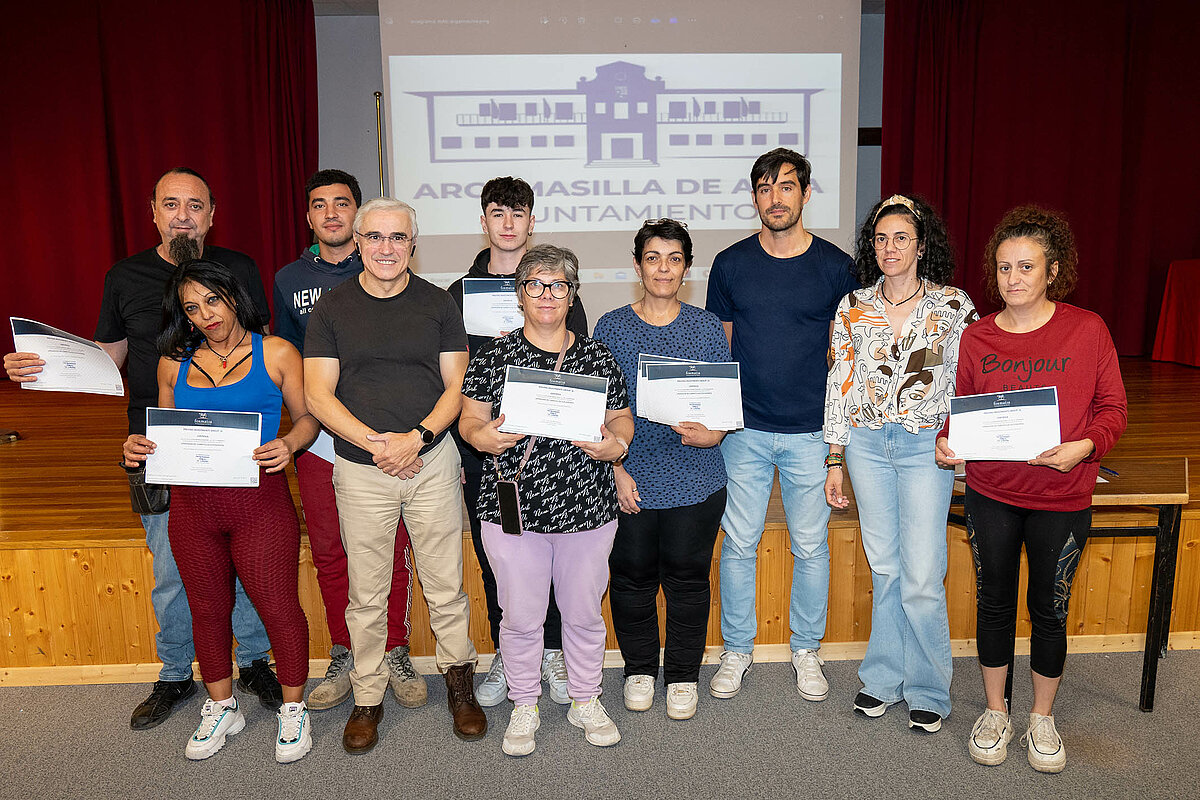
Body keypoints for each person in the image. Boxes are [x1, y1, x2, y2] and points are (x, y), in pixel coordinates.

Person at [3, 168, 281, 729]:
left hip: (235, 445)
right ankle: (176, 672)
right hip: (157, 444)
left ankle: (253, 662)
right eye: (171, 204)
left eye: (195, 205)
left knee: (247, 561)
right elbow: (107, 358)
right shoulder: (124, 275)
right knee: (173, 568)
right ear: (152, 211)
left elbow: (262, 351)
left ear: (212, 214)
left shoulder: (241, 269)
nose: (183, 214)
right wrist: (38, 368)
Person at [936, 205, 1127, 773]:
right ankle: (997, 711)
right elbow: (961, 412)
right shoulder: (976, 337)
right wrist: (949, 441)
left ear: (1053, 271)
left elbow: (1113, 408)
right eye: (1003, 268)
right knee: (992, 604)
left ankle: (1041, 717)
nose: (1013, 279)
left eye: (1026, 267)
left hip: (1062, 497)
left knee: (1049, 608)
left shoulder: (1087, 329)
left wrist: (1085, 446)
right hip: (992, 492)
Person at [303, 197, 484, 753]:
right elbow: (317, 393)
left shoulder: (438, 304)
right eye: (375, 237)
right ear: (358, 242)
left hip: (430, 461)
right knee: (367, 592)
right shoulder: (330, 309)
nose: (386, 248)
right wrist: (376, 444)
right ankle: (367, 695)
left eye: (398, 238)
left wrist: (417, 440)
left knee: (445, 584)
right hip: (361, 468)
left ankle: (459, 684)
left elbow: (457, 387)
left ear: (413, 243)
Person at [121, 260, 317, 762]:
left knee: (278, 607)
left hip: (259, 504)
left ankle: (294, 711)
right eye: (192, 307)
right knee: (207, 611)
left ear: (233, 297)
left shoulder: (277, 352)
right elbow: (161, 431)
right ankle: (222, 705)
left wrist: (291, 443)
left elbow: (308, 417)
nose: (205, 314)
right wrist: (138, 446)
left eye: (212, 300)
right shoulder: (172, 362)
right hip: (192, 509)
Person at [459, 244, 634, 756]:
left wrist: (616, 444)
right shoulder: (494, 355)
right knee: (519, 616)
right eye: (535, 284)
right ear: (520, 295)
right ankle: (525, 704)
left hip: (587, 508)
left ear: (572, 294)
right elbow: (470, 418)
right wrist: (481, 437)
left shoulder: (597, 356)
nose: (547, 295)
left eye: (558, 285)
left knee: (582, 614)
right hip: (513, 509)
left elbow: (621, 418)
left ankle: (585, 698)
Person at [704, 148, 858, 702]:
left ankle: (806, 649)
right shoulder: (730, 264)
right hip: (744, 432)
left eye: (787, 187)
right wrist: (720, 420)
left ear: (805, 194)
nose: (776, 198)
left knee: (812, 547)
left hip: (811, 434)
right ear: (754, 198)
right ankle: (737, 649)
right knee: (739, 543)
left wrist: (838, 446)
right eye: (765, 189)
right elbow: (719, 348)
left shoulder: (838, 268)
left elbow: (848, 359)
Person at [823, 195, 978, 733]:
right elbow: (839, 383)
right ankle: (883, 678)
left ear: (921, 244)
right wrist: (835, 457)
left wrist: (966, 439)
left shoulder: (953, 307)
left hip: (923, 448)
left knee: (921, 574)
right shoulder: (852, 306)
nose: (889, 248)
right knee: (885, 567)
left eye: (901, 238)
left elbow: (973, 380)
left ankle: (930, 687)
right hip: (866, 443)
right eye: (880, 239)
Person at [273, 169, 423, 711]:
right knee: (332, 550)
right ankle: (345, 649)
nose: (331, 213)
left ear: (361, 217)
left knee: (393, 549)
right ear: (310, 216)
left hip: (387, 442)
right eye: (320, 205)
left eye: (343, 203)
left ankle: (395, 649)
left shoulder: (393, 276)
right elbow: (290, 364)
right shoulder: (290, 278)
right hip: (321, 438)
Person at [447, 176, 586, 707]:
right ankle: (512, 652)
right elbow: (455, 377)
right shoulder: (458, 293)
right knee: (498, 558)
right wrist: (469, 447)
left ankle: (551, 652)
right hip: (489, 452)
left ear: (532, 220)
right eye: (498, 214)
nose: (508, 223)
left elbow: (582, 370)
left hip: (556, 453)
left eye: (518, 213)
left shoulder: (561, 287)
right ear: (484, 221)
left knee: (555, 555)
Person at [592, 219, 728, 721]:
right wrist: (614, 469)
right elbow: (596, 408)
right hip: (630, 475)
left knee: (689, 582)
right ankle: (640, 669)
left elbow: (721, 407)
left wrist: (714, 434)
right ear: (638, 265)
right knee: (630, 581)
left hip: (696, 476)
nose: (663, 268)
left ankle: (684, 677)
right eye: (653, 258)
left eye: (674, 259)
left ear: (686, 268)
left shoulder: (706, 326)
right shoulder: (610, 327)